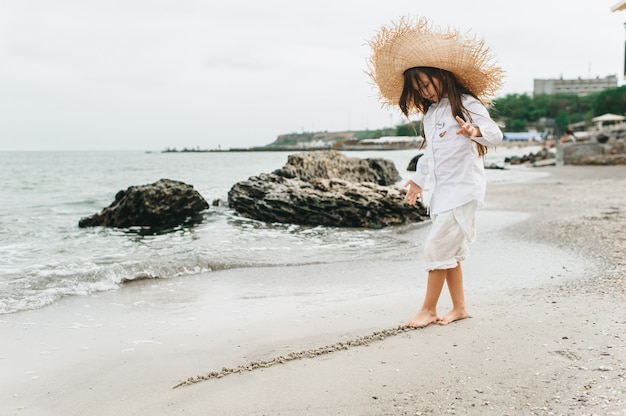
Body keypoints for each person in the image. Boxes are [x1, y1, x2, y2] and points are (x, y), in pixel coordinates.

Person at [367, 16, 504, 327]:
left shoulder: (466, 103)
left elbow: (495, 135)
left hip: (464, 189)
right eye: (418, 88)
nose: (425, 92)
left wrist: (473, 132)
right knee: (450, 251)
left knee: (436, 248)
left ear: (442, 76)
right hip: (442, 193)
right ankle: (459, 308)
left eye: (427, 84)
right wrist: (417, 183)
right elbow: (429, 155)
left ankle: (428, 310)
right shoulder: (431, 114)